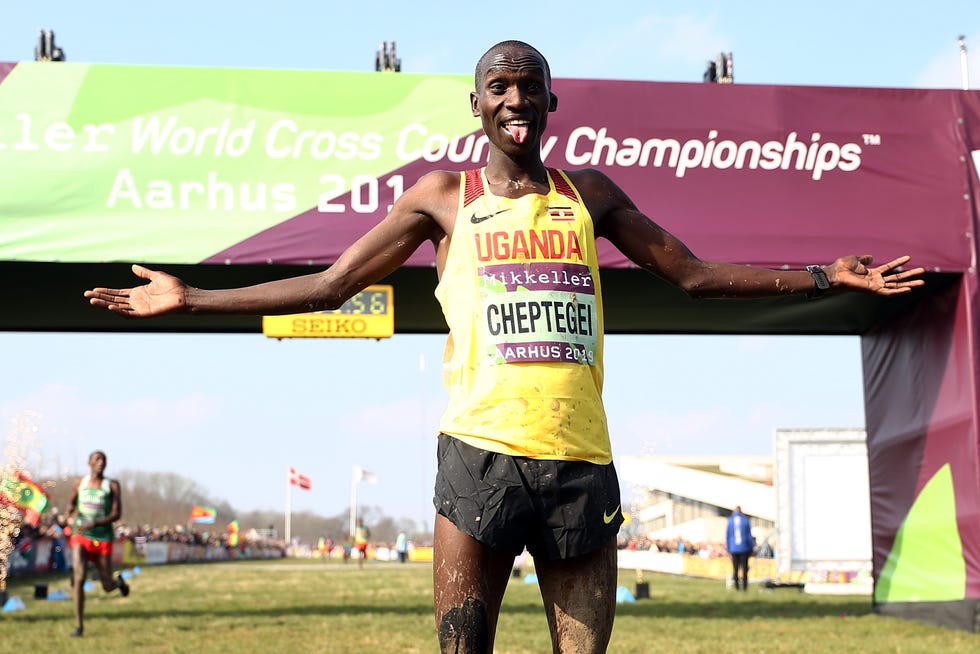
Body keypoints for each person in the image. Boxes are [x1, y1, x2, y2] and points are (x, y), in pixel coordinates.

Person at [84, 40, 925, 653]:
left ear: (553, 102)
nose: (516, 98)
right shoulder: (443, 200)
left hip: (579, 469)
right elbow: (330, 286)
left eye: (531, 85)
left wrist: (822, 273)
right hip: (478, 462)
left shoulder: (589, 194)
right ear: (478, 104)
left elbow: (694, 275)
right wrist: (192, 295)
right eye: (499, 85)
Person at [65, 450, 129, 637]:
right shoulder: (80, 483)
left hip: (102, 537)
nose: (101, 463)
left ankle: (117, 582)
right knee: (79, 578)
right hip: (81, 535)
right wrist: (68, 513)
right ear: (89, 463)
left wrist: (95, 523)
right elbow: (71, 504)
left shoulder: (112, 485)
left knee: (106, 585)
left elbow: (117, 514)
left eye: (103, 460)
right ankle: (79, 626)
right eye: (97, 459)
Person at [726, 505, 755, 591]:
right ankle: (745, 587)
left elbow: (728, 535)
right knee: (745, 568)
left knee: (735, 568)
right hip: (744, 548)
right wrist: (751, 547)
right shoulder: (745, 520)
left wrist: (728, 548)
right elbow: (749, 535)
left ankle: (736, 587)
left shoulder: (730, 520)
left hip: (733, 548)